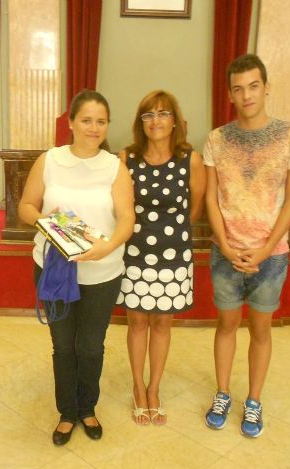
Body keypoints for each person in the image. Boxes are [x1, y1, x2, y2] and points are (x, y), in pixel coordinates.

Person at [18, 89, 135, 446]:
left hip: (102, 272)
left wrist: (108, 246)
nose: (93, 128)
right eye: (86, 120)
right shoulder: (50, 160)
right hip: (55, 268)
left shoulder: (115, 167)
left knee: (91, 346)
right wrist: (44, 222)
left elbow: (127, 218)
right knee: (63, 345)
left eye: (101, 121)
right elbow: (25, 206)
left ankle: (88, 407)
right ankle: (67, 412)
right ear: (70, 123)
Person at [203, 54, 290, 438]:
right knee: (227, 325)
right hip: (226, 252)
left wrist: (264, 249)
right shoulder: (216, 139)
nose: (246, 94)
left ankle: (254, 400)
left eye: (253, 86)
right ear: (230, 94)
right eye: (238, 88)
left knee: (261, 329)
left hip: (271, 255)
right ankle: (222, 393)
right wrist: (226, 244)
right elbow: (211, 198)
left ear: (266, 87)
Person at [117, 90, 205, 426]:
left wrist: (171, 234)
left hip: (173, 256)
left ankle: (154, 388)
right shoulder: (127, 158)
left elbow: (194, 208)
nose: (156, 121)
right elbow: (120, 206)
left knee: (163, 323)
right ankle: (137, 386)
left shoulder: (190, 160)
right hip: (135, 253)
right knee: (137, 322)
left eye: (163, 113)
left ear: (175, 121)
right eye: (149, 114)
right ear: (141, 122)